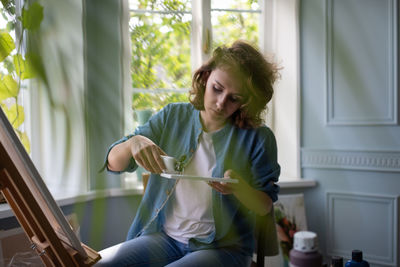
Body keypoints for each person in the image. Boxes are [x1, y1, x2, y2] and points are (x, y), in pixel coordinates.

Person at [96, 40, 281, 267]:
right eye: (217, 88)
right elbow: (114, 164)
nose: (221, 103)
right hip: (165, 239)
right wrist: (133, 143)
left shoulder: (259, 138)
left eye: (234, 98)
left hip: (223, 249)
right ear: (205, 78)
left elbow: (265, 206)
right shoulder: (173, 116)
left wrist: (240, 188)